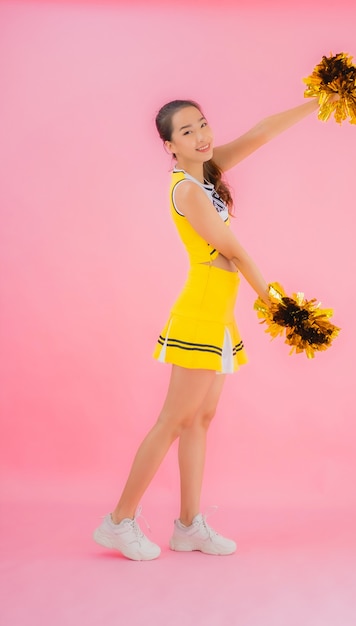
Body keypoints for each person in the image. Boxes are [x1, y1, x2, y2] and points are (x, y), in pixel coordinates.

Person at [93, 96, 321, 560]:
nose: (201, 136)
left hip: (219, 313)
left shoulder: (207, 172)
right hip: (199, 313)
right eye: (186, 132)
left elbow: (260, 133)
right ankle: (118, 521)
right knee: (172, 421)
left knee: (199, 420)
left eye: (202, 125)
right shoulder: (188, 190)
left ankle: (188, 526)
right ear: (169, 146)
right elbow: (233, 251)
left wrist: (320, 101)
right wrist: (282, 307)